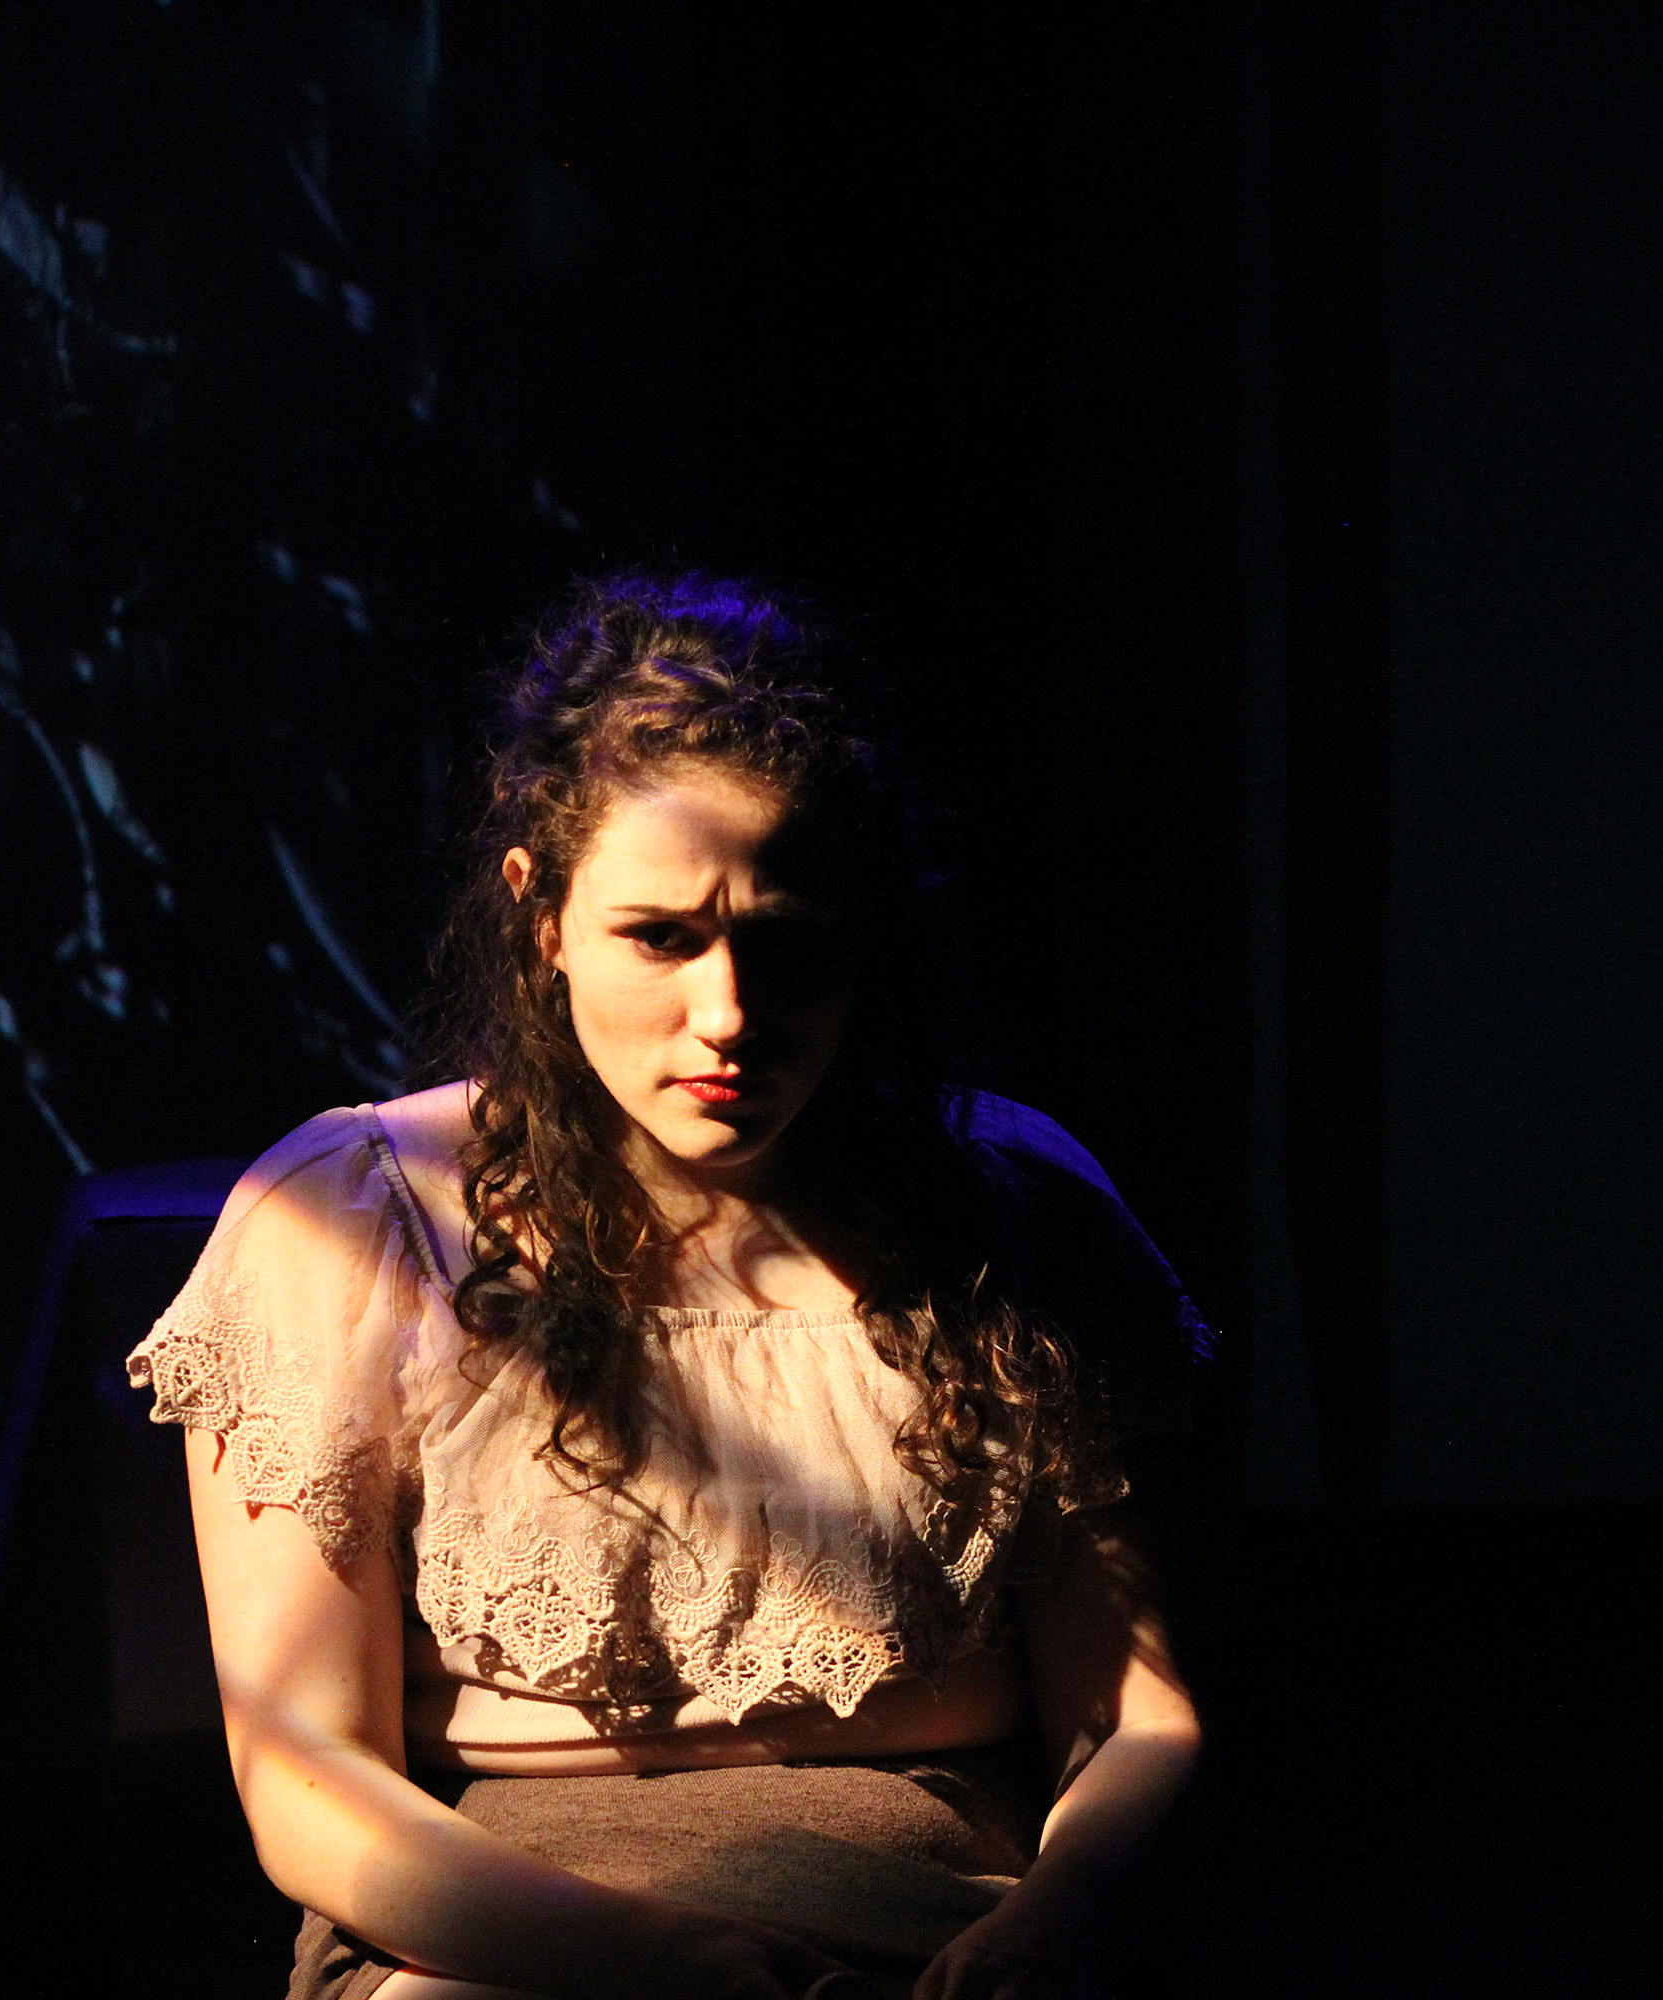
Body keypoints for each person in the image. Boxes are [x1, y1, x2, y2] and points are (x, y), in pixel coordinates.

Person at [128, 575, 1208, 2000]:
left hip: (940, 1920)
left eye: (790, 942)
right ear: (541, 916)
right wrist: (669, 1961)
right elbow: (304, 1770)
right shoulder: (357, 1222)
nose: (730, 1016)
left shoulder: (1014, 1214)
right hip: (506, 1932)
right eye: (662, 938)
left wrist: (1056, 1920)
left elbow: (1138, 1718)